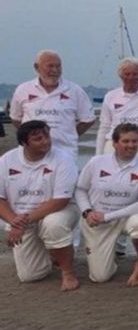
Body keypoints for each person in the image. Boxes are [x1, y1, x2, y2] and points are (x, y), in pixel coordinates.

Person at [0, 121, 80, 290]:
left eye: (47, 136)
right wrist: (13, 221)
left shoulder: (63, 159)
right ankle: (51, 254)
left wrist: (21, 222)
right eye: (38, 139)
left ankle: (68, 272)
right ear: (24, 143)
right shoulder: (7, 160)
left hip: (58, 211)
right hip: (21, 217)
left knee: (53, 225)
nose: (45, 141)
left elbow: (61, 200)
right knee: (29, 276)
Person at [75, 123, 138, 285]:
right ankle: (108, 257)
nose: (131, 145)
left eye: (134, 141)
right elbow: (80, 189)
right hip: (97, 221)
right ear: (114, 143)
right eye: (125, 141)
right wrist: (87, 212)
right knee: (100, 277)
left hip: (125, 218)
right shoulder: (96, 162)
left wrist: (108, 216)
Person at [10, 50, 95, 158]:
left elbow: (88, 119)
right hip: (31, 154)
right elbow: (16, 118)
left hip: (65, 152)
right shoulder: (23, 90)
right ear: (37, 67)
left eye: (58, 66)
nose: (55, 70)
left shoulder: (74, 90)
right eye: (50, 66)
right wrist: (31, 136)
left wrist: (71, 135)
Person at [95, 57, 138, 162]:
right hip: (114, 143)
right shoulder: (110, 96)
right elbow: (104, 127)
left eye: (135, 74)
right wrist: (98, 155)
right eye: (127, 74)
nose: (131, 78)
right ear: (121, 76)